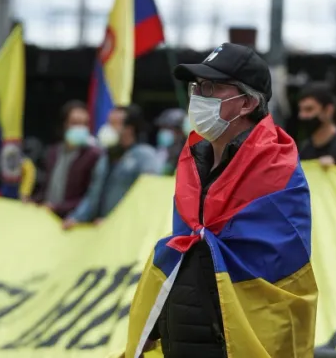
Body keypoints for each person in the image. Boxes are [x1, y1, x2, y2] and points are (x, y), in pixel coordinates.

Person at [126, 43, 316, 358]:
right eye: (195, 87)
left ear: (246, 103)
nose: (198, 96)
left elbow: (272, 269)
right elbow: (187, 247)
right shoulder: (193, 159)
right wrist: (157, 319)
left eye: (211, 87)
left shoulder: (275, 169)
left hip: (234, 343)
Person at [63, 107, 159, 229]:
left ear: (129, 129)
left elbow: (147, 198)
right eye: (109, 123)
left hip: (128, 230)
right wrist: (76, 217)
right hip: (103, 230)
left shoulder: (144, 157)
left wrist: (115, 221)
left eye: (114, 124)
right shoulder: (104, 158)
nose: (108, 128)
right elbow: (93, 194)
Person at [34, 100, 101, 218]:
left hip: (72, 220)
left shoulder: (93, 155)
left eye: (84, 124)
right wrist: (34, 201)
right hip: (45, 216)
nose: (80, 128)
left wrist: (58, 207)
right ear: (65, 125)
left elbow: (91, 196)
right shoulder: (53, 152)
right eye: (75, 123)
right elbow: (46, 187)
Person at [155, 108, 187, 175]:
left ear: (180, 131)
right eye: (162, 128)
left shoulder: (190, 153)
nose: (163, 132)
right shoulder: (162, 152)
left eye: (168, 128)